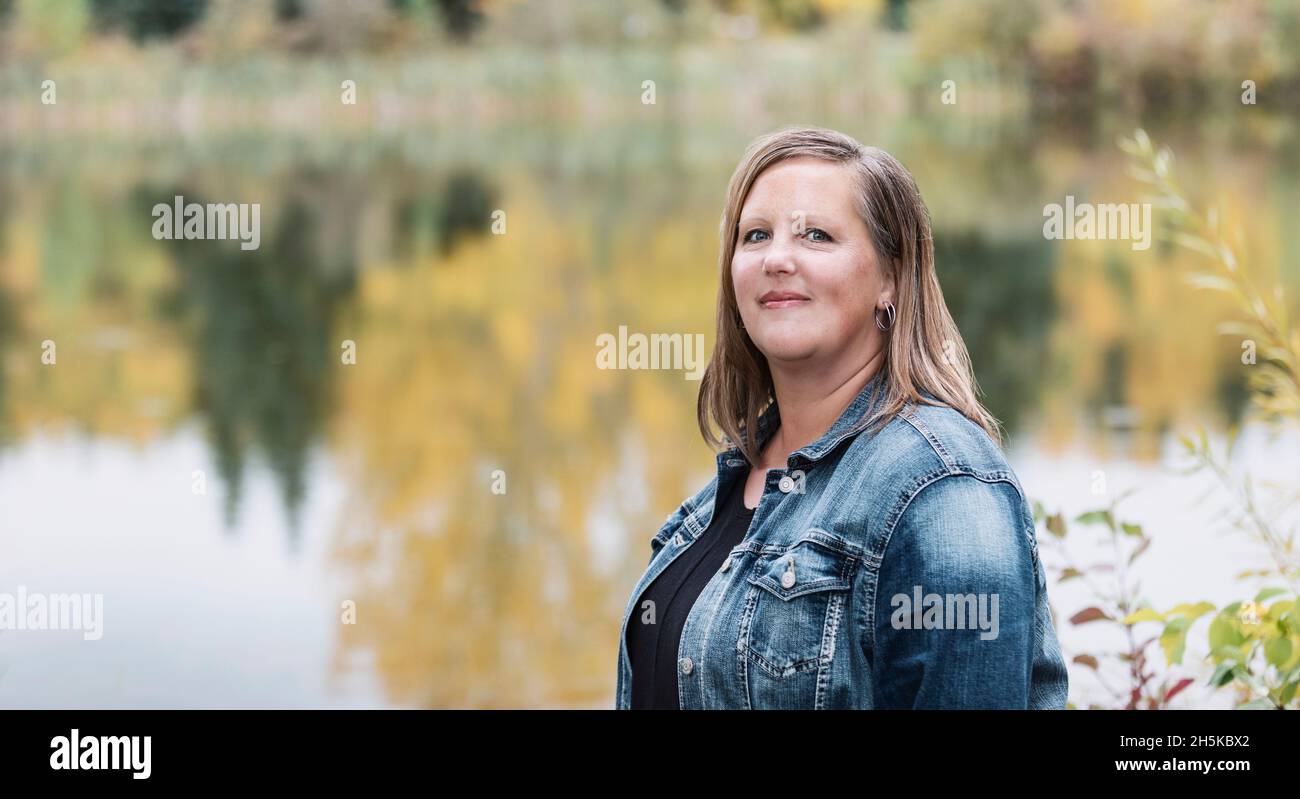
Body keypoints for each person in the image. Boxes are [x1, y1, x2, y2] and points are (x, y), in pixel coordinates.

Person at [615, 125, 1069, 709]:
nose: (778, 258)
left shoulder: (941, 490)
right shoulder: (736, 481)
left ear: (890, 278)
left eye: (817, 236)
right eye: (756, 235)